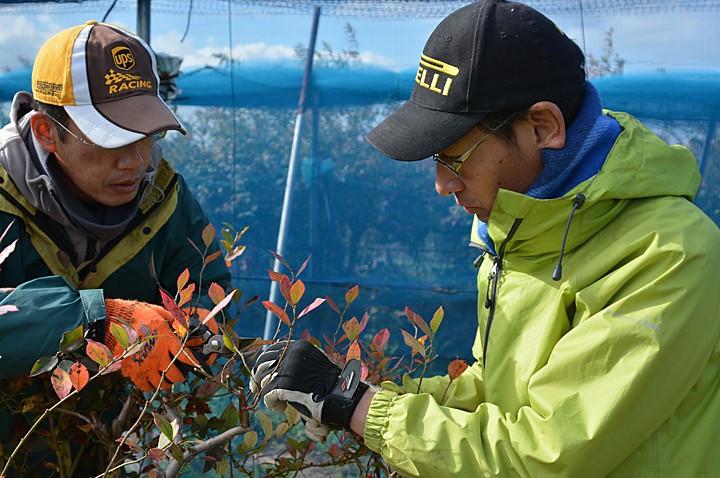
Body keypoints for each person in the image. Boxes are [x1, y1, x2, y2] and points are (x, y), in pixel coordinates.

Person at [250, 1, 720, 476]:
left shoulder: (668, 256)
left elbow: (542, 454)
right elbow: (493, 393)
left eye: (455, 157)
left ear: (543, 127)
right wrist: (348, 391)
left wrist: (359, 407)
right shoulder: (523, 234)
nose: (442, 183)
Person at [0, 20, 230, 438]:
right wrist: (99, 321)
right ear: (46, 132)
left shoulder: (165, 197)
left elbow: (207, 294)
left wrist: (193, 332)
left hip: (101, 447)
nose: (135, 161)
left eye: (145, 135)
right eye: (109, 141)